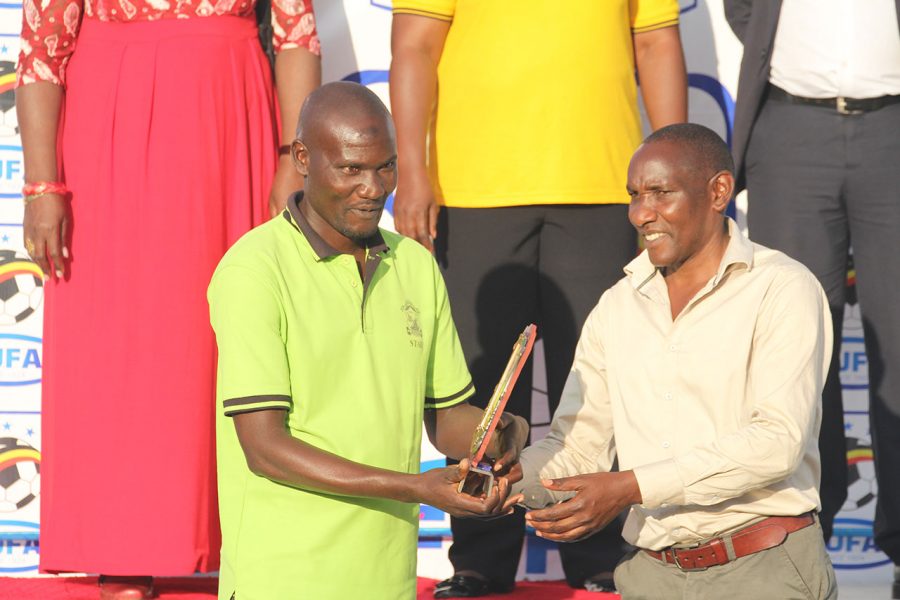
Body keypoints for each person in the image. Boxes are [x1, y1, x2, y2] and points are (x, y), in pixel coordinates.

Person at [16, 0, 320, 596]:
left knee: (231, 329)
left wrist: (294, 155)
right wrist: (42, 182)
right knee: (116, 334)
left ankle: (247, 542)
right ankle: (120, 549)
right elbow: (42, 45)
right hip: (110, 119)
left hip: (232, 113)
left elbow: (295, 32)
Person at [389, 1, 687, 594]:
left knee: (602, 385)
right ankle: (479, 559)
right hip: (474, 191)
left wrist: (675, 174)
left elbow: (655, 43)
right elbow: (415, 46)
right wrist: (414, 170)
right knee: (480, 391)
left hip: (604, 186)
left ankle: (601, 556)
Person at [207, 81, 529, 600]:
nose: (374, 187)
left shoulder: (417, 266)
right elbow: (265, 449)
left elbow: (447, 420)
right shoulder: (253, 269)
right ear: (304, 159)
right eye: (351, 169)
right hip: (281, 579)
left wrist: (501, 435)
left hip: (387, 579)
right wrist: (416, 488)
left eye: (385, 166)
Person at [510, 123, 838, 599]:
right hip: (651, 576)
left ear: (719, 191)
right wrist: (506, 479)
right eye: (634, 196)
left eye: (660, 193)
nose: (642, 214)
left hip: (764, 572)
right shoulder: (617, 304)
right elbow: (579, 445)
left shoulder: (782, 287)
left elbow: (776, 442)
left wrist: (629, 488)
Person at [725, 2, 900, 595]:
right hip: (791, 127)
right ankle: (802, 538)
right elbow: (746, 10)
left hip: (894, 128)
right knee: (794, 351)